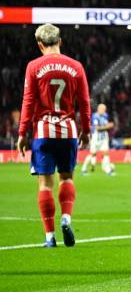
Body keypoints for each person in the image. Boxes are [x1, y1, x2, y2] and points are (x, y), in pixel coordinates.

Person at [17, 23, 91, 248]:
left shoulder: (33, 66)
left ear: (40, 44)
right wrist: (86, 130)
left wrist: (22, 133)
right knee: (66, 178)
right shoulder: (76, 66)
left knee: (45, 185)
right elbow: (85, 103)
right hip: (68, 130)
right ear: (60, 41)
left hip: (44, 131)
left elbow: (28, 101)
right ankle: (66, 217)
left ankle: (49, 237)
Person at [81, 103, 115, 175]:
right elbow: (97, 128)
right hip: (96, 138)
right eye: (103, 109)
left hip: (103, 138)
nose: (104, 111)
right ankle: (83, 168)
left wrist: (107, 125)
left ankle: (107, 170)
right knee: (93, 154)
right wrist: (108, 126)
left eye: (105, 109)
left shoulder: (105, 115)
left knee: (106, 153)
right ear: (99, 109)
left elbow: (105, 124)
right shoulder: (95, 116)